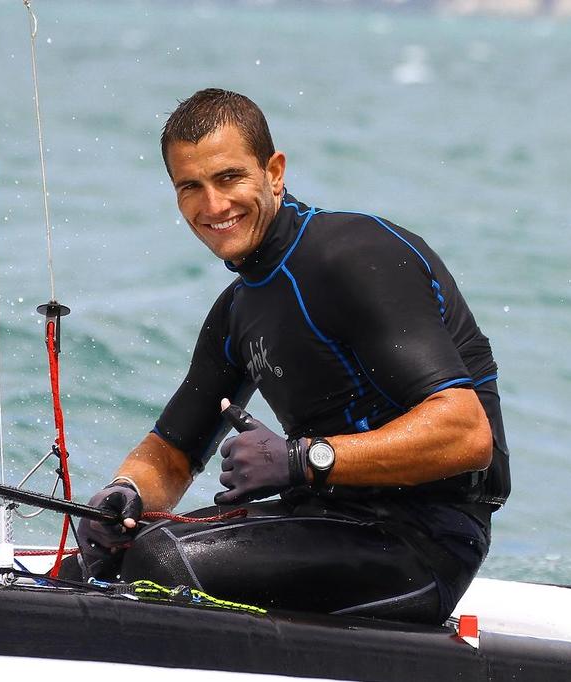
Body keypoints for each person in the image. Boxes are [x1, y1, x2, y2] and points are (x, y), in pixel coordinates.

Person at [71, 88, 511, 624]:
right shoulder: (237, 309)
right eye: (191, 187)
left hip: (424, 541)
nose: (213, 206)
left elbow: (466, 434)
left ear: (273, 172)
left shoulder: (353, 256)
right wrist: (125, 493)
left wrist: (304, 459)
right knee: (107, 558)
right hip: (325, 522)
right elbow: (172, 452)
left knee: (161, 559)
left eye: (229, 177)